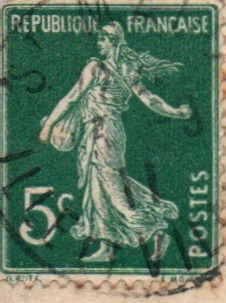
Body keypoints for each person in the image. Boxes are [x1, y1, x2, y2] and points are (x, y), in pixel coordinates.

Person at [37, 24, 192, 264]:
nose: (98, 44)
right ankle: (107, 247)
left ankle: (156, 229)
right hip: (105, 131)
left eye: (103, 40)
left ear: (114, 42)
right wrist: (176, 112)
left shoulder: (96, 68)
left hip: (102, 133)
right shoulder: (127, 70)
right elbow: (149, 99)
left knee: (111, 188)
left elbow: (71, 98)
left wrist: (49, 126)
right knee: (99, 186)